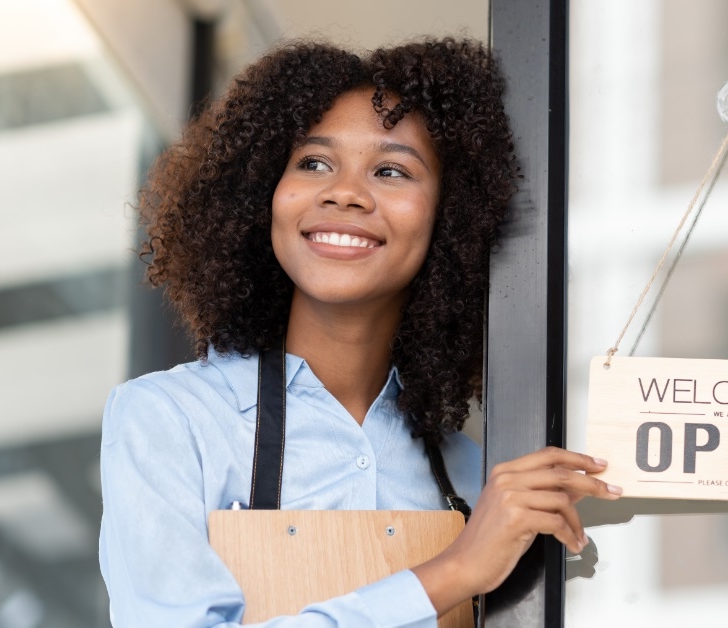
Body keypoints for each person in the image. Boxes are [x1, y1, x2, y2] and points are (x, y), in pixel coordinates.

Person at [99, 38, 622, 626]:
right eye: (314, 162)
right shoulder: (170, 422)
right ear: (262, 194)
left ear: (450, 220)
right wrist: (455, 570)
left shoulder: (472, 473)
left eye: (391, 170)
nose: (344, 191)